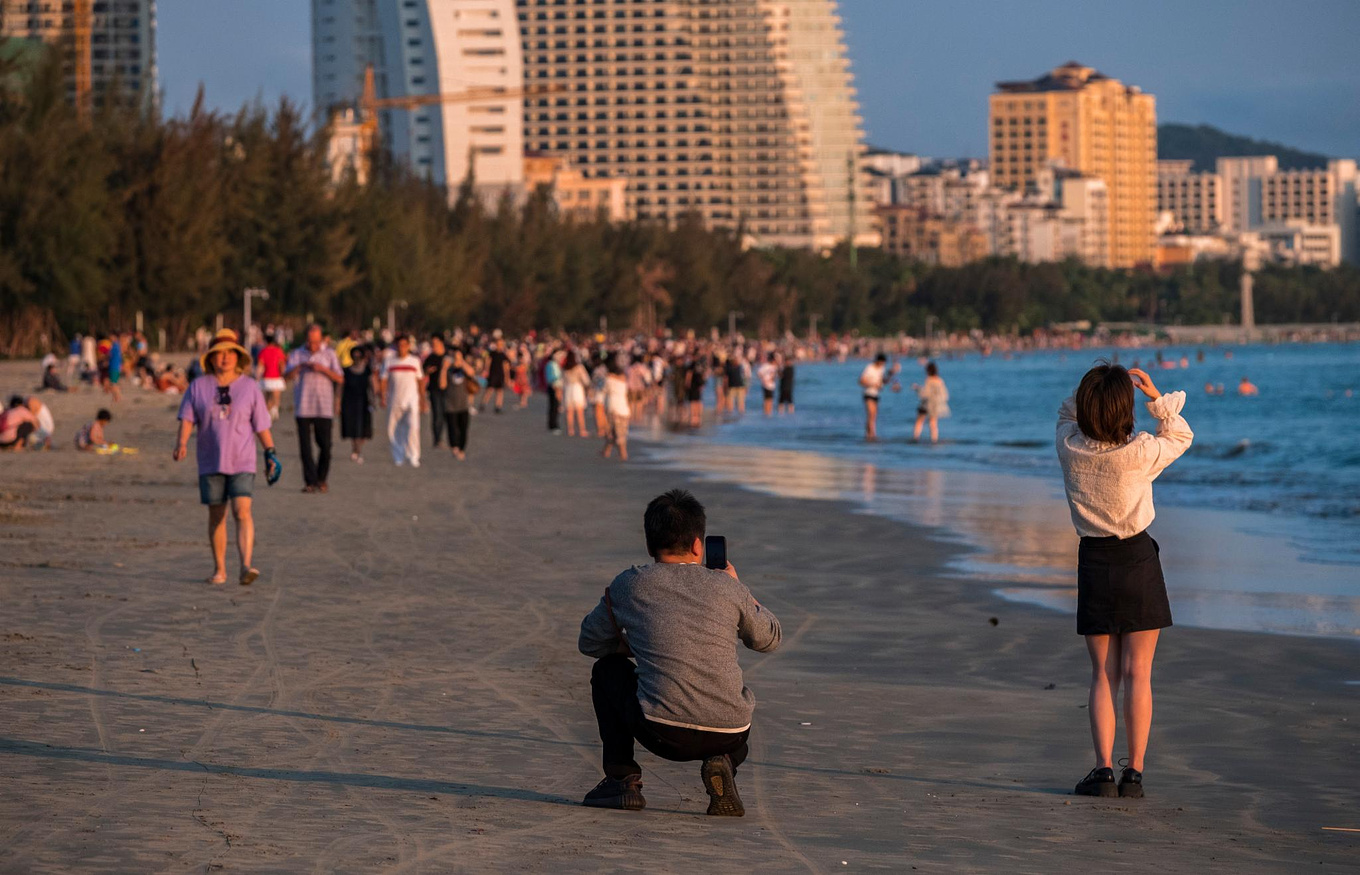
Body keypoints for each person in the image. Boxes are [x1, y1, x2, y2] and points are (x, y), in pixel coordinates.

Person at [577, 489, 781, 814]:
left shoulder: (630, 584)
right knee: (732, 705)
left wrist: (639, 645)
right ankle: (723, 761)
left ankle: (622, 779)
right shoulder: (728, 588)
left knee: (607, 670)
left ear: (649, 545)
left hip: (661, 732)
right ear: (698, 545)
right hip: (730, 732)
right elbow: (768, 639)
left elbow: (589, 642)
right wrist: (744, 592)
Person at [1057, 364, 1193, 799]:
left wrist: (1094, 386)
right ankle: (1133, 773)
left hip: (1094, 561)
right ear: (1126, 410)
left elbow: (1065, 411)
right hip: (1137, 559)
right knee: (1139, 674)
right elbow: (1182, 436)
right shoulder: (1140, 451)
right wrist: (1156, 398)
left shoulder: (1070, 447)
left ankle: (1102, 772)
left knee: (1102, 673)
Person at [173, 329, 280, 586]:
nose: (225, 358)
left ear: (238, 357)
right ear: (210, 358)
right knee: (216, 515)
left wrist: (271, 453)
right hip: (210, 460)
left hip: (243, 459)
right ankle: (220, 569)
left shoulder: (250, 387)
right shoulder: (198, 387)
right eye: (219, 353)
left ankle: (245, 565)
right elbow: (187, 418)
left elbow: (261, 425)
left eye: (230, 352)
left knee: (242, 511)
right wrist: (181, 443)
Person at [285, 324, 344, 493]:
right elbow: (286, 376)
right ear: (306, 339)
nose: (313, 345)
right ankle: (310, 482)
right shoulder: (297, 354)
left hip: (324, 406)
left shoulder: (329, 354)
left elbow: (340, 378)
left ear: (322, 339)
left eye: (316, 342)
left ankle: (321, 478)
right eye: (310, 342)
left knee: (325, 445)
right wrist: (299, 368)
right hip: (302, 406)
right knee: (305, 447)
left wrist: (323, 369)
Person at [380, 334, 426, 467]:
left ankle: (413, 455)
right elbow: (383, 380)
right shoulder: (389, 361)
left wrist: (423, 400)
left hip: (412, 400)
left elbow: (420, 381)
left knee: (413, 427)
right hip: (394, 399)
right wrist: (383, 396)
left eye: (404, 345)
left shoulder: (414, 361)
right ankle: (398, 455)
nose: (402, 348)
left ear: (408, 346)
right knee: (394, 429)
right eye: (399, 345)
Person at [439, 346, 476, 460]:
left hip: (463, 404)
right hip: (450, 404)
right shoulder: (448, 370)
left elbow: (472, 372)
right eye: (454, 357)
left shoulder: (465, 370)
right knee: (452, 427)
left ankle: (461, 449)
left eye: (458, 357)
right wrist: (444, 369)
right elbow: (442, 385)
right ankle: (454, 447)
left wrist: (462, 362)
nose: (456, 359)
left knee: (463, 428)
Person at [341, 344, 376, 463]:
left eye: (358, 356)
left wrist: (374, 399)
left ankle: (358, 449)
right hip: (349, 401)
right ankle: (355, 450)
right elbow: (340, 387)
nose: (356, 358)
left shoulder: (367, 370)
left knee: (364, 429)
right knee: (353, 428)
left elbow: (372, 385)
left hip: (364, 401)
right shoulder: (346, 370)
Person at [911, 362, 950, 443]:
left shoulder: (929, 380)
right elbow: (945, 395)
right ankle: (934, 440)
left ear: (928, 371)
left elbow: (925, 394)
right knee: (933, 423)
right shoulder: (939, 380)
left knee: (919, 421)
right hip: (936, 405)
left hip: (926, 404)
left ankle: (915, 438)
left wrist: (917, 388)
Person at [601, 357, 631, 461]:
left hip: (613, 407)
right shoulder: (624, 381)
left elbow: (603, 390)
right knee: (619, 432)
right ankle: (607, 451)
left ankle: (623, 454)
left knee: (613, 432)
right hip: (624, 408)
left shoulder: (609, 380)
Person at [424, 335, 449, 447]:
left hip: (448, 389)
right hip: (434, 389)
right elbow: (422, 371)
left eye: (435, 343)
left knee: (444, 413)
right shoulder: (430, 357)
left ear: (441, 343)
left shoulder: (448, 356)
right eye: (432, 343)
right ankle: (437, 438)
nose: (433, 346)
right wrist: (427, 371)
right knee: (437, 414)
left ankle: (444, 437)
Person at [256, 333, 287, 421]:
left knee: (267, 397)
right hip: (276, 378)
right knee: (276, 397)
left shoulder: (263, 351)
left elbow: (260, 366)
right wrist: (283, 374)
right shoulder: (278, 351)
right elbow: (281, 364)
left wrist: (257, 378)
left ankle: (268, 412)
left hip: (266, 378)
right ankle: (273, 411)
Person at [860, 354, 889, 440]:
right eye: (882, 362)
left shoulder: (882, 369)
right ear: (879, 361)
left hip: (876, 394)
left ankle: (868, 434)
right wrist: (873, 385)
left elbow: (883, 381)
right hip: (868, 393)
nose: (883, 364)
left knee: (873, 416)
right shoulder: (870, 367)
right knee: (871, 414)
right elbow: (861, 380)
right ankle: (873, 434)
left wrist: (891, 374)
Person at [563, 350, 591, 438]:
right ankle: (582, 430)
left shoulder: (565, 367)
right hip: (577, 388)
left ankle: (570, 430)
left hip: (568, 388)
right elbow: (586, 380)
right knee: (579, 411)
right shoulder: (579, 367)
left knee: (569, 411)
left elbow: (562, 380)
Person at [483, 338, 511, 413]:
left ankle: (498, 406)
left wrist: (507, 377)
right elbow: (488, 362)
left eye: (501, 344)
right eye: (498, 344)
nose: (499, 346)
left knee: (500, 391)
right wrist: (486, 370)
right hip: (493, 374)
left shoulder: (504, 355)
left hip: (500, 375)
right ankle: (483, 404)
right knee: (490, 389)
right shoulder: (492, 353)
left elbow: (506, 367)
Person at [544, 349, 564, 434]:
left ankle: (552, 424)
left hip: (554, 387)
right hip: (554, 387)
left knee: (554, 407)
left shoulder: (553, 364)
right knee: (554, 407)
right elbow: (553, 379)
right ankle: (553, 425)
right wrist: (557, 390)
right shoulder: (552, 365)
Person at [756, 353, 778, 418]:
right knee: (767, 400)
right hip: (766, 385)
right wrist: (763, 380)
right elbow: (759, 373)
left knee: (770, 400)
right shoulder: (766, 366)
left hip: (772, 385)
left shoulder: (774, 367)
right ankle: (766, 413)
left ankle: (769, 413)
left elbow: (775, 376)